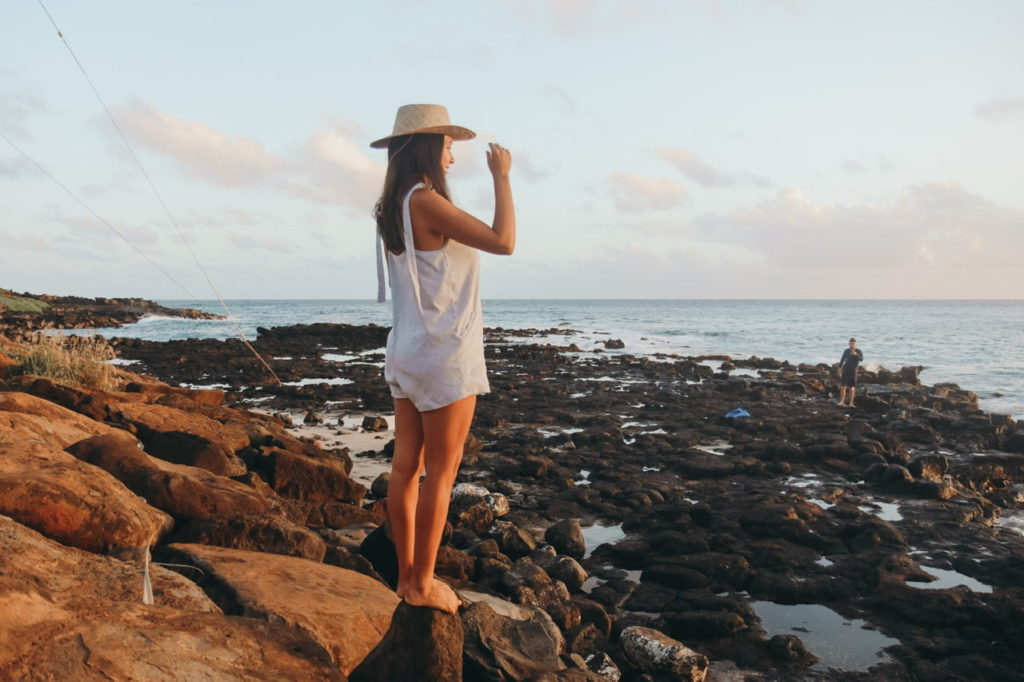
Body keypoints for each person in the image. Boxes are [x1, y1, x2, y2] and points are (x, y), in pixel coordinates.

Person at [372, 104, 515, 613]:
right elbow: (504, 241)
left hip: (408, 349)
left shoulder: (391, 205)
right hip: (442, 354)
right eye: (450, 146)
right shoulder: (425, 202)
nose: (454, 157)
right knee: (441, 473)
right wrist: (502, 178)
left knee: (405, 467)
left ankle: (405, 579)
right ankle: (422, 583)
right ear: (430, 147)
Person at [836, 337, 863, 407]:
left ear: (855, 344)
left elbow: (861, 359)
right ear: (849, 343)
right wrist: (839, 369)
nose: (851, 345)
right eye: (850, 343)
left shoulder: (858, 351)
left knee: (852, 388)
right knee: (843, 386)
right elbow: (842, 359)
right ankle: (842, 401)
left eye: (853, 343)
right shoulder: (846, 351)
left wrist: (856, 354)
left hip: (853, 371)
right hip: (845, 370)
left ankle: (851, 403)